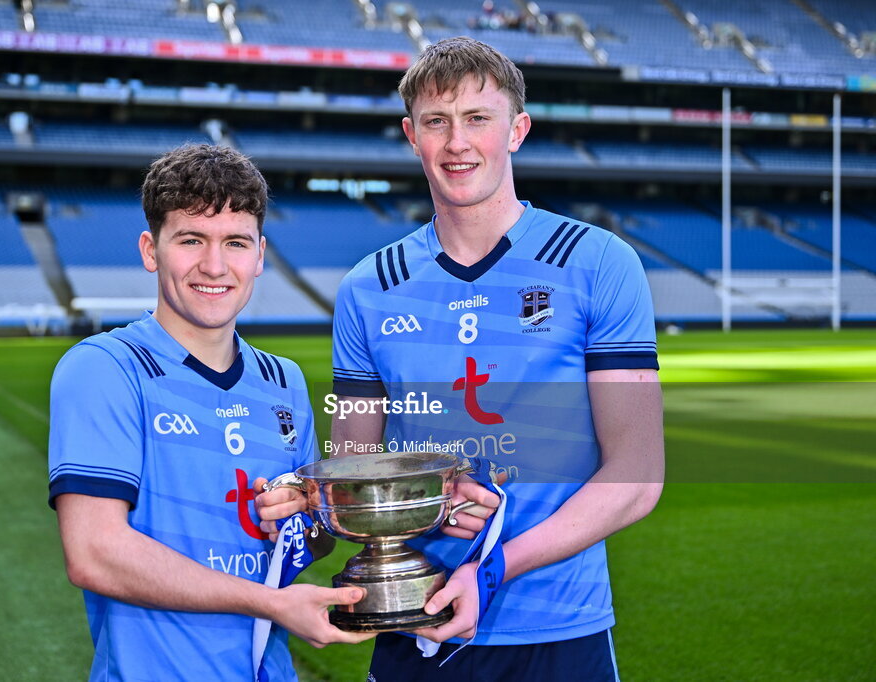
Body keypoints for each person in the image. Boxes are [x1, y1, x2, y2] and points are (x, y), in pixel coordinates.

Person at [331, 37, 664, 680]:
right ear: (411, 135)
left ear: (517, 130)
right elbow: (355, 470)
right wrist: (432, 501)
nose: (457, 142)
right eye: (437, 121)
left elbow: (638, 476)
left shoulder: (598, 263)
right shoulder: (367, 288)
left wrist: (494, 566)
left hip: (559, 630)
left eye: (478, 118)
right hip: (414, 622)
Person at [48, 143, 372, 681]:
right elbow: (94, 552)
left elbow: (315, 537)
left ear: (261, 255)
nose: (215, 266)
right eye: (191, 239)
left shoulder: (283, 381)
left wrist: (297, 519)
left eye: (236, 242)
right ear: (151, 250)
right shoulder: (105, 369)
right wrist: (267, 603)